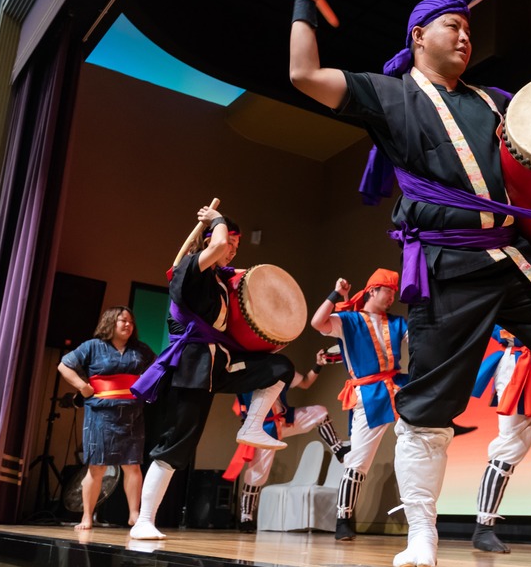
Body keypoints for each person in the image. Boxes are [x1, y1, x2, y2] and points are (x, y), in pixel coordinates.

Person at [289, 0, 531, 567]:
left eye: (469, 30)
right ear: (419, 36)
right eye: (454, 26)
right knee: (426, 406)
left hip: (509, 256)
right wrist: (303, 1)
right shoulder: (388, 95)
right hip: (449, 266)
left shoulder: (494, 100)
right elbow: (304, 75)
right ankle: (422, 534)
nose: (465, 37)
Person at [128, 205, 301, 540]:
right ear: (207, 241)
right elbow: (218, 247)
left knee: (280, 367)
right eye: (228, 243)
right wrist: (217, 220)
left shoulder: (219, 281)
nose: (232, 249)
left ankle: (252, 426)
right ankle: (144, 520)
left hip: (217, 363)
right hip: (191, 366)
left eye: (237, 246)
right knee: (178, 442)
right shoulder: (188, 270)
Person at [310, 270, 407, 542]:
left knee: (422, 432)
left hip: (399, 386)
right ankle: (344, 517)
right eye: (388, 291)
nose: (392, 297)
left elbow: (420, 342)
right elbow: (318, 323)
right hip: (370, 392)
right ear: (372, 290)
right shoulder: (349, 321)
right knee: (358, 462)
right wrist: (335, 293)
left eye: (394, 292)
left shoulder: (398, 323)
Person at [223, 349, 349, 532]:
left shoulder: (279, 369)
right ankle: (245, 517)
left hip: (284, 420)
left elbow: (305, 382)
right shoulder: (248, 373)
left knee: (319, 412)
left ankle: (338, 449)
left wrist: (318, 365)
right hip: (263, 427)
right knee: (258, 474)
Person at [58, 306, 155, 530]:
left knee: (133, 466)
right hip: (100, 413)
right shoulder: (92, 346)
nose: (128, 325)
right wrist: (82, 386)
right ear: (111, 322)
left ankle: (134, 515)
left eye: (131, 321)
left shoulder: (140, 350)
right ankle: (86, 517)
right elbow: (64, 365)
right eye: (123, 320)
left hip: (132, 413)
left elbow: (156, 369)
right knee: (97, 467)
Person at [468, 326, 531, 553]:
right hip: (518, 368)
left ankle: (484, 527)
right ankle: (483, 528)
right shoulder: (511, 296)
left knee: (519, 443)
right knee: (507, 449)